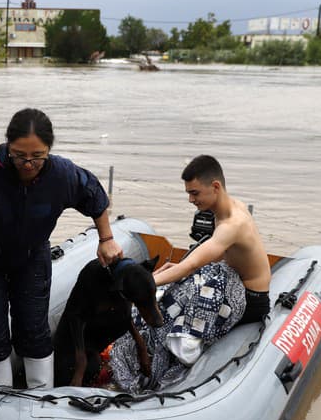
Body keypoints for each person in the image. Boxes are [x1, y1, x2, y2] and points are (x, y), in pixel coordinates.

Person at [0, 108, 123, 389]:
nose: (28, 164)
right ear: (8, 146)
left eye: (37, 157)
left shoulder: (62, 174)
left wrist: (106, 239)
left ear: (48, 151)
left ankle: (40, 395)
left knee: (34, 329)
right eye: (20, 155)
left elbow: (94, 194)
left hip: (31, 257)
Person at [110, 154, 272, 392]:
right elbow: (211, 256)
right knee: (167, 297)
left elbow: (192, 265)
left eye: (194, 193)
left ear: (215, 187)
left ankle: (173, 360)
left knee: (170, 305)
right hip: (231, 280)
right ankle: (136, 358)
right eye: (188, 193)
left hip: (251, 300)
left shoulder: (232, 224)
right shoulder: (225, 210)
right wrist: (173, 272)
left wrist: (146, 283)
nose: (190, 199)